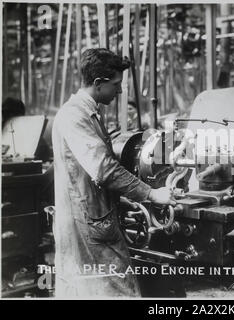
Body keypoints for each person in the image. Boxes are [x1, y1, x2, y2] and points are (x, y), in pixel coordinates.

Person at [51, 48, 176, 298]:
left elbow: (87, 176)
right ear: (98, 83)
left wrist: (122, 198)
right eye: (116, 84)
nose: (119, 91)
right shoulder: (75, 116)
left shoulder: (88, 113)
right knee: (118, 291)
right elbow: (104, 169)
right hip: (88, 226)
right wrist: (151, 194)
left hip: (90, 217)